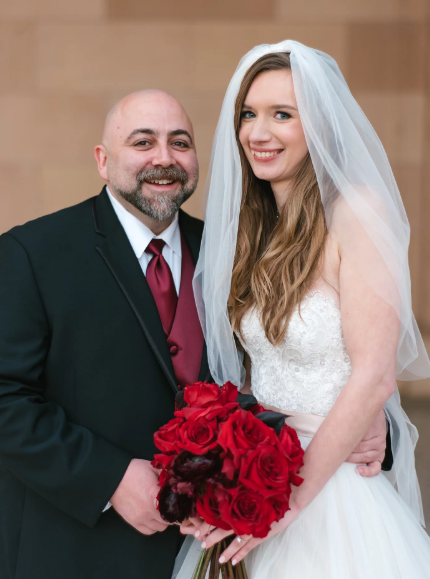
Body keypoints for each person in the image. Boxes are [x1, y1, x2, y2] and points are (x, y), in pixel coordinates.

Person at [0, 88, 388, 579]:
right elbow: (6, 398)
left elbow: (289, 359)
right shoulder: (32, 254)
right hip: (80, 549)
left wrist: (368, 428)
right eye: (143, 142)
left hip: (219, 550)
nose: (164, 158)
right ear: (103, 160)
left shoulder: (234, 251)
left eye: (180, 142)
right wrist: (110, 479)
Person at [177, 42, 430, 578]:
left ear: (320, 126)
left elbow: (374, 375)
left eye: (282, 115)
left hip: (328, 497)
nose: (257, 133)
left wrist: (287, 504)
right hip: (257, 488)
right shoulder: (255, 231)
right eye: (249, 114)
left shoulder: (357, 211)